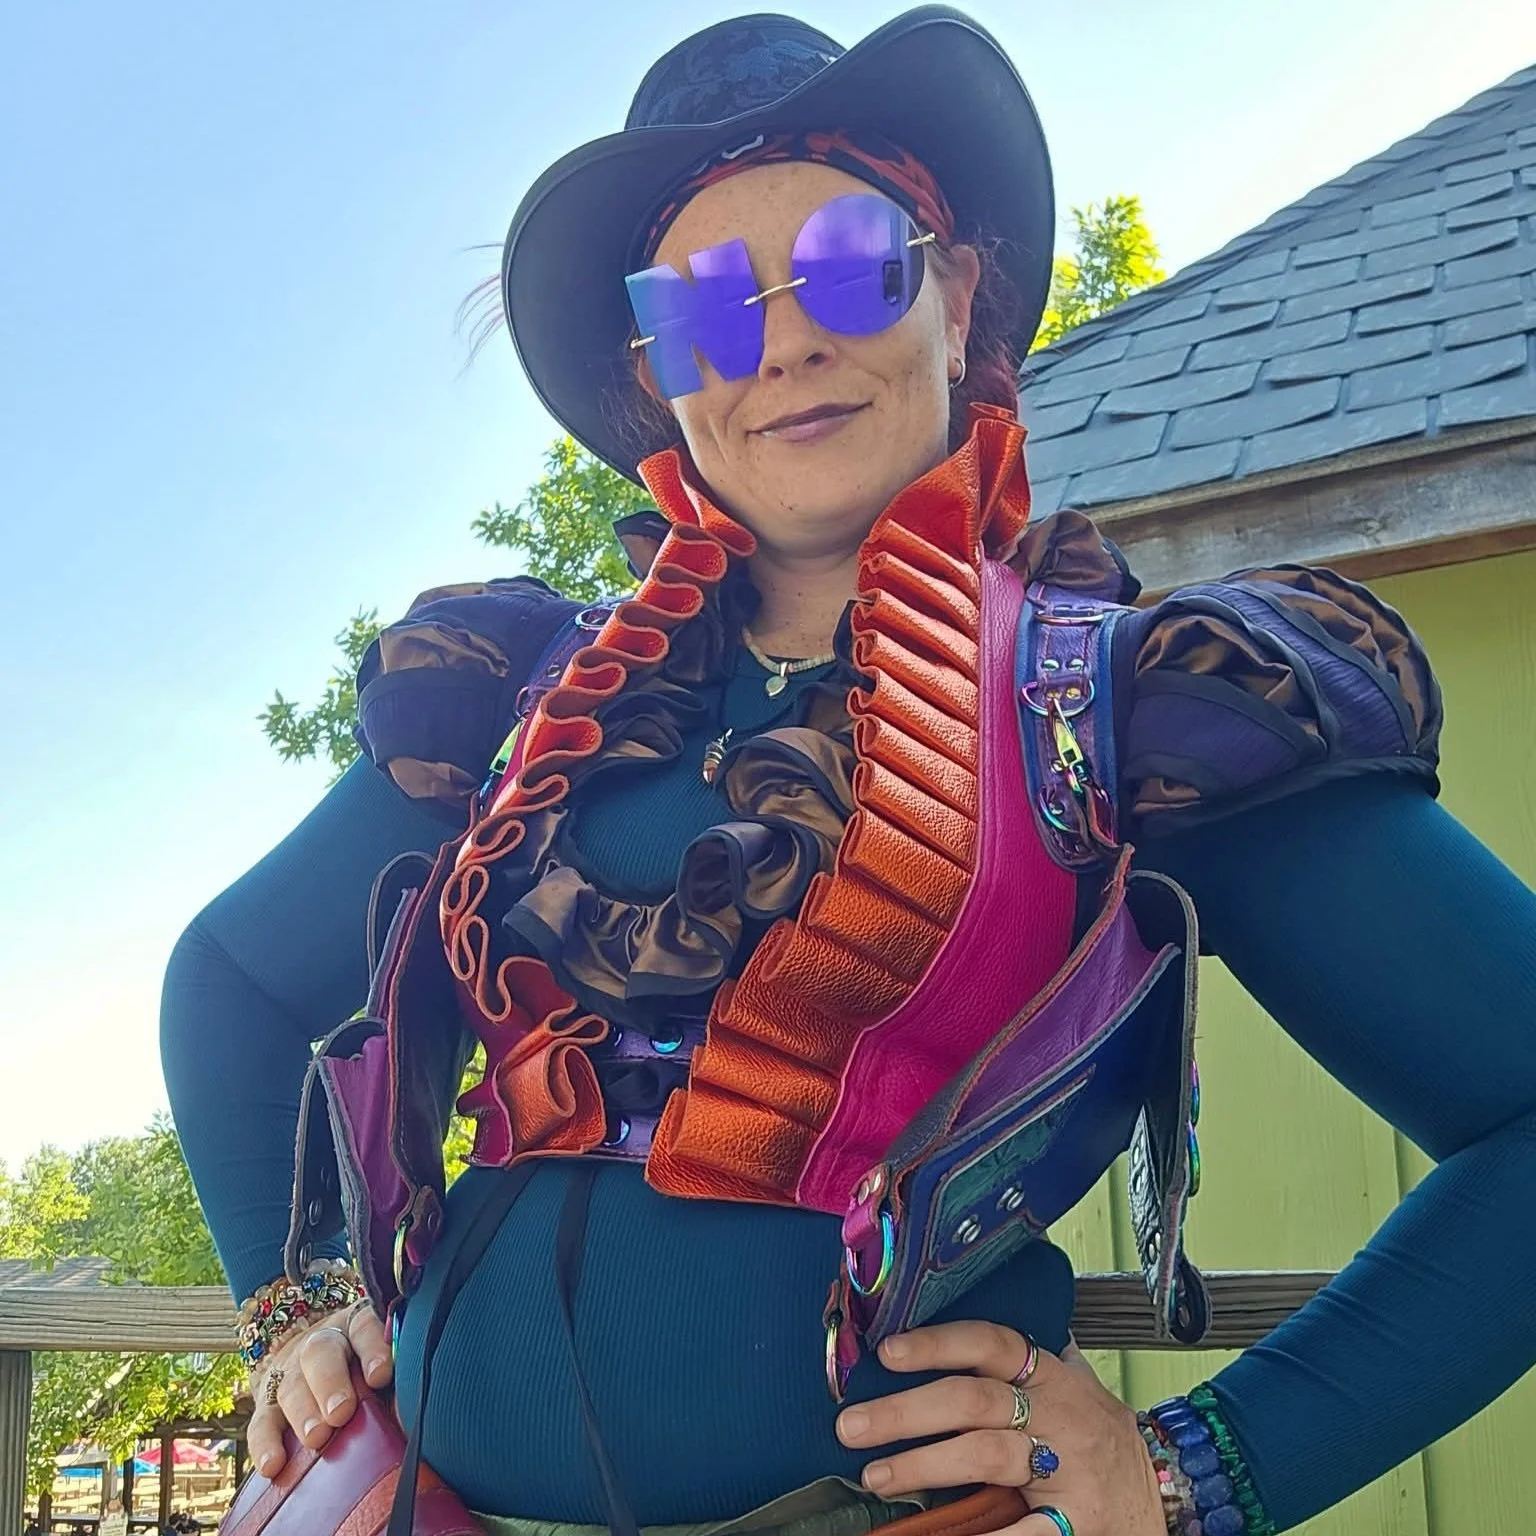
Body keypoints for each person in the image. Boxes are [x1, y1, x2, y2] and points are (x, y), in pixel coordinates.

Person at [161, 9, 1536, 1536]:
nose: (789, 340)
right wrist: (296, 1302)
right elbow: (225, 976)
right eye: (706, 309)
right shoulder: (518, 696)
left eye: (849, 264)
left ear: (956, 290)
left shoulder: (1126, 700)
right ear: (656, 372)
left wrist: (1194, 1470)